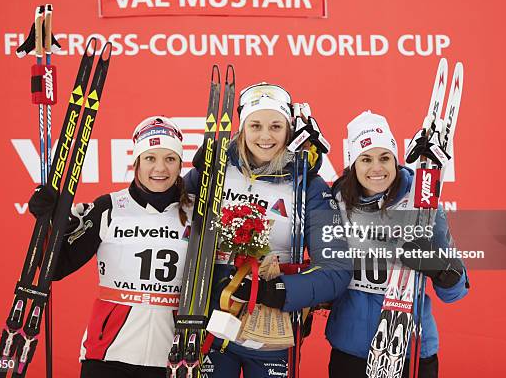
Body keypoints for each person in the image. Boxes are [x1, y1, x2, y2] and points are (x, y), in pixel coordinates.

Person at [185, 82, 351, 378]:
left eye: (276, 126)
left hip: (271, 328)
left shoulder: (308, 185)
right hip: (212, 320)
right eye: (256, 125)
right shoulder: (214, 171)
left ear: (290, 131)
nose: (265, 136)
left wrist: (278, 291)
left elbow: (336, 269)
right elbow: (166, 214)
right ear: (242, 128)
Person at [28, 116, 193, 378]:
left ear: (180, 163)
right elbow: (56, 267)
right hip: (108, 354)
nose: (160, 168)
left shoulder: (196, 212)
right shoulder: (110, 207)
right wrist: (47, 222)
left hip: (173, 356)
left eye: (170, 159)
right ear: (136, 162)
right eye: (150, 158)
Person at [325, 111, 470, 378]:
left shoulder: (422, 206)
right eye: (365, 159)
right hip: (351, 348)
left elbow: (455, 291)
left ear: (395, 159)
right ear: (353, 164)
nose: (376, 168)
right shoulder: (337, 203)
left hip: (411, 347)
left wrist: (441, 269)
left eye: (384, 158)